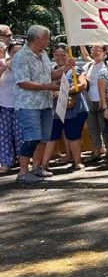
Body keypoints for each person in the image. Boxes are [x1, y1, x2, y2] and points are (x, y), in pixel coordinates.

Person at [12, 25, 73, 183]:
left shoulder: (43, 53)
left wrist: (65, 68)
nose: (48, 41)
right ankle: (22, 173)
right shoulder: (21, 57)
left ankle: (37, 168)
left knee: (44, 138)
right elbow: (22, 82)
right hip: (28, 104)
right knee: (32, 139)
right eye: (46, 38)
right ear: (36, 39)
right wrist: (47, 86)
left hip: (45, 103)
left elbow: (49, 75)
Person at [81, 44, 108, 162]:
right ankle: (96, 151)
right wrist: (81, 44)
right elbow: (86, 56)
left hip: (103, 100)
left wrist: (104, 102)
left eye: (98, 50)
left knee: (105, 128)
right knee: (93, 128)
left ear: (105, 52)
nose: (95, 52)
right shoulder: (89, 65)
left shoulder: (107, 65)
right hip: (90, 100)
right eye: (93, 50)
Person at [0, 40, 23, 173]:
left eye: (20, 52)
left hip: (21, 105)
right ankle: (6, 162)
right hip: (4, 104)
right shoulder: (3, 62)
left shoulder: (25, 64)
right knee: (5, 136)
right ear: (9, 52)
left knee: (20, 135)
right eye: (15, 52)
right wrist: (3, 68)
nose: (17, 54)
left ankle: (23, 161)